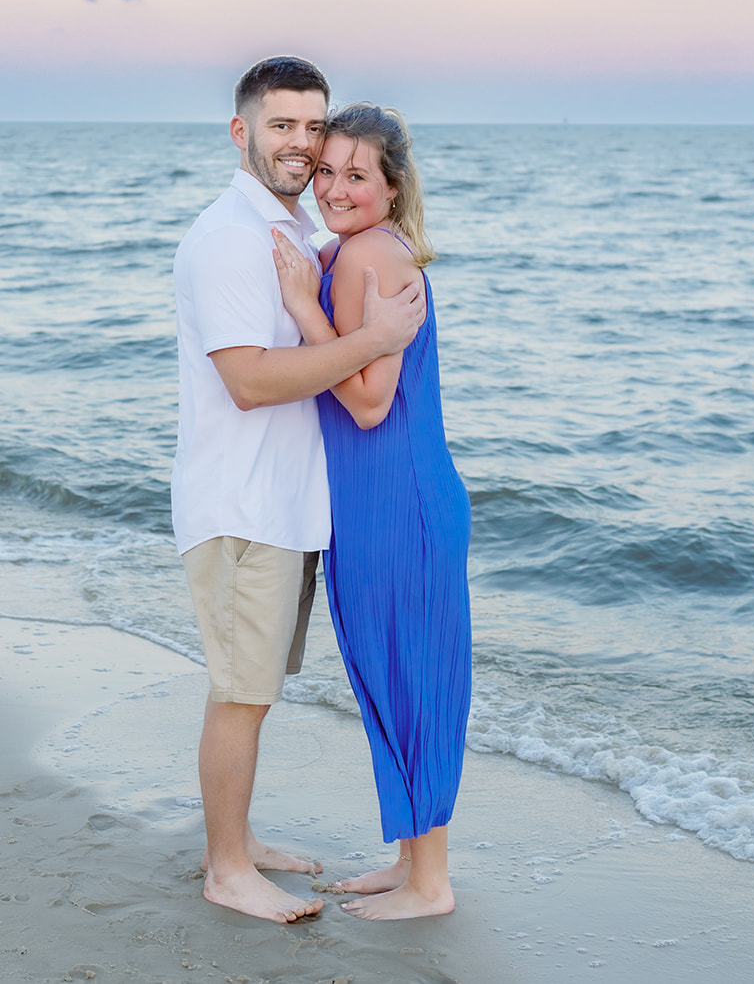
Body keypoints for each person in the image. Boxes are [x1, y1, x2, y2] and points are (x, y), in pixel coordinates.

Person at [172, 59, 427, 924]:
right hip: (240, 503)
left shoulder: (290, 230)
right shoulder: (228, 239)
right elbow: (248, 380)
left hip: (284, 504)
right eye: (281, 125)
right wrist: (374, 340)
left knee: (254, 686)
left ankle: (237, 839)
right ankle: (227, 869)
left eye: (313, 127)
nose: (301, 144)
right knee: (241, 690)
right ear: (241, 132)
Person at [271, 102, 472, 920]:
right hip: (379, 502)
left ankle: (432, 882)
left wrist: (302, 307)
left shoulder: (369, 256)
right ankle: (409, 861)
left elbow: (366, 402)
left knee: (411, 675)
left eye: (357, 175)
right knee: (391, 672)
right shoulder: (349, 250)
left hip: (400, 502)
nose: (334, 188)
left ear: (392, 186)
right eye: (326, 170)